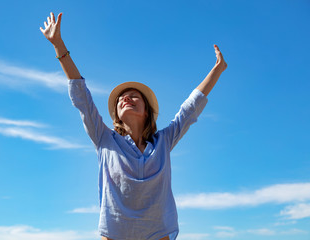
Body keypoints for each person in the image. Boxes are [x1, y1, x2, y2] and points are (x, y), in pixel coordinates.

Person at [40, 12, 227, 240]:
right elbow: (81, 96)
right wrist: (59, 45)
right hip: (115, 234)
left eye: (134, 96)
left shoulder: (164, 142)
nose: (126, 98)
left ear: (146, 110)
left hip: (158, 234)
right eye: (121, 98)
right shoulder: (104, 139)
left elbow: (189, 110)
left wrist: (217, 70)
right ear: (117, 114)